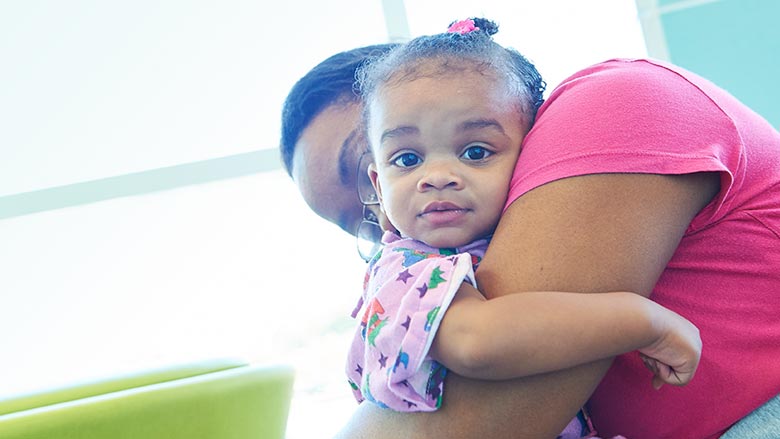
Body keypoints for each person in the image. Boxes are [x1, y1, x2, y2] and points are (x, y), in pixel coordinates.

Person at [279, 17, 780, 439]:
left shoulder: (615, 100)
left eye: (473, 149)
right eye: (400, 165)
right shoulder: (409, 269)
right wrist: (639, 320)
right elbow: (477, 342)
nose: (432, 182)